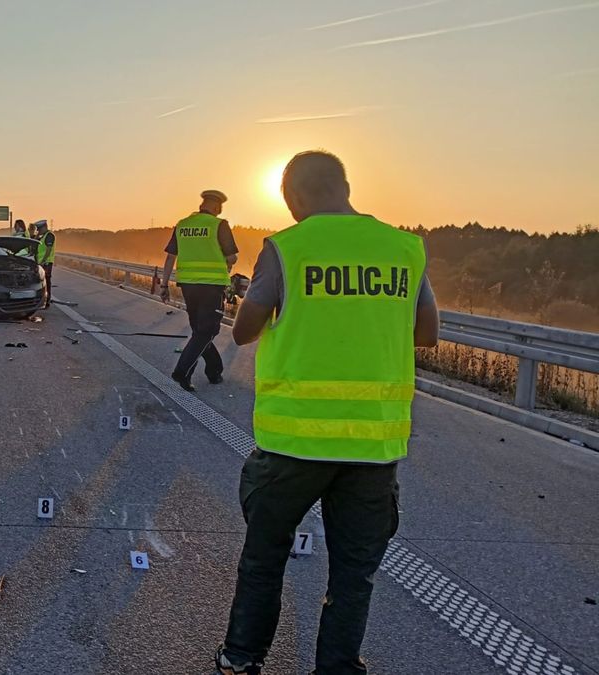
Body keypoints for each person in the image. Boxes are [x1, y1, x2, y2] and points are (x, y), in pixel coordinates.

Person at [214, 151, 439, 675]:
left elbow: (245, 330)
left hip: (293, 444)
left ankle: (242, 660)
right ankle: (337, 667)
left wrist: (253, 300)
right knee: (353, 576)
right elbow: (426, 333)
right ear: (345, 185)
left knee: (265, 558)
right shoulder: (406, 249)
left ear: (294, 196)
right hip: (373, 448)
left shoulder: (286, 249)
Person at [159, 189, 238, 389]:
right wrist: (227, 263)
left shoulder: (182, 225)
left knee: (200, 331)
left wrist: (164, 284)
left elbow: (170, 257)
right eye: (220, 206)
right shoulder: (219, 225)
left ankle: (214, 371)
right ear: (216, 206)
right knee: (207, 331)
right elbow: (231, 257)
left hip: (188, 285)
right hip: (211, 286)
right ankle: (182, 372)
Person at [33, 219, 56, 308]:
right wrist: (37, 235)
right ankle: (42, 300)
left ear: (45, 227)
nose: (38, 231)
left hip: (46, 263)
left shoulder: (49, 236)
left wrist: (43, 261)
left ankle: (47, 301)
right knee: (40, 282)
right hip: (40, 263)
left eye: (39, 229)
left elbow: (48, 250)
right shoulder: (42, 236)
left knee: (46, 282)